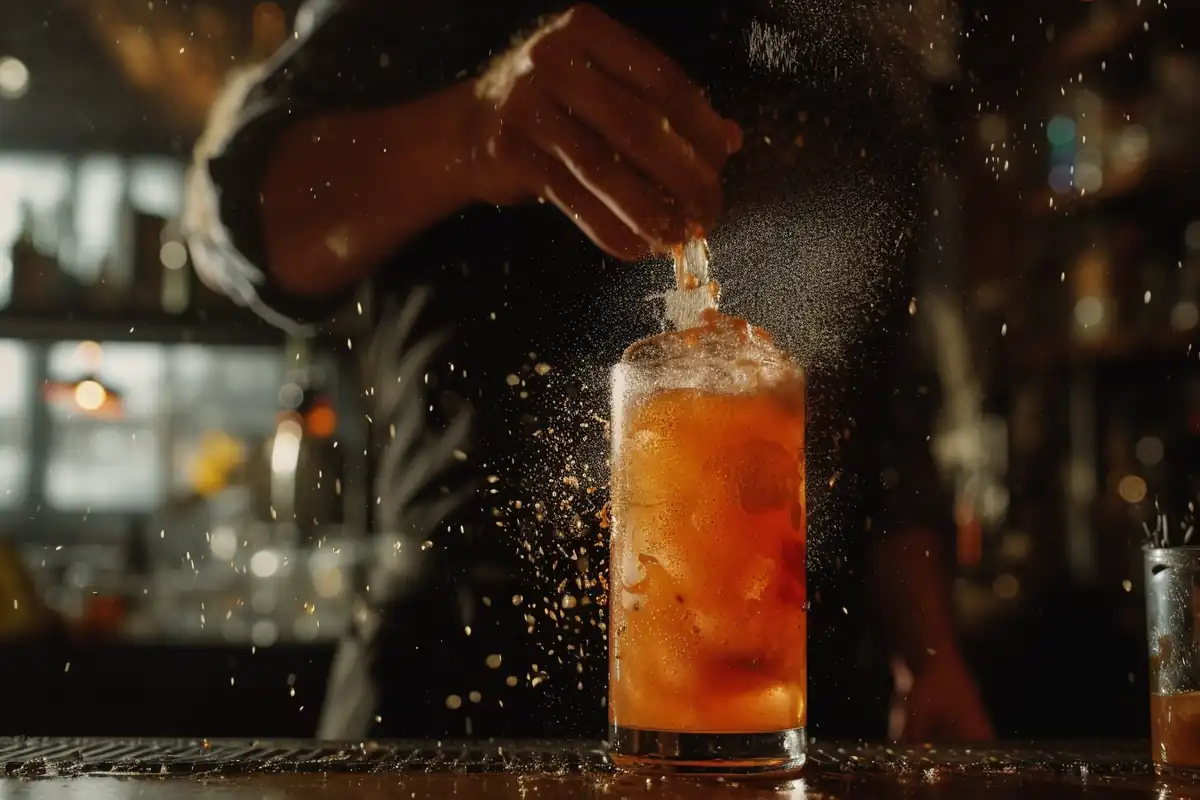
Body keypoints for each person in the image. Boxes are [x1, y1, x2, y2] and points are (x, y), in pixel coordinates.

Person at [184, 0, 994, 742]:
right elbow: (228, 220)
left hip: (783, 700)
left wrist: (929, 656)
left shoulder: (856, 42)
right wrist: (474, 128)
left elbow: (883, 397)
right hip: (460, 691)